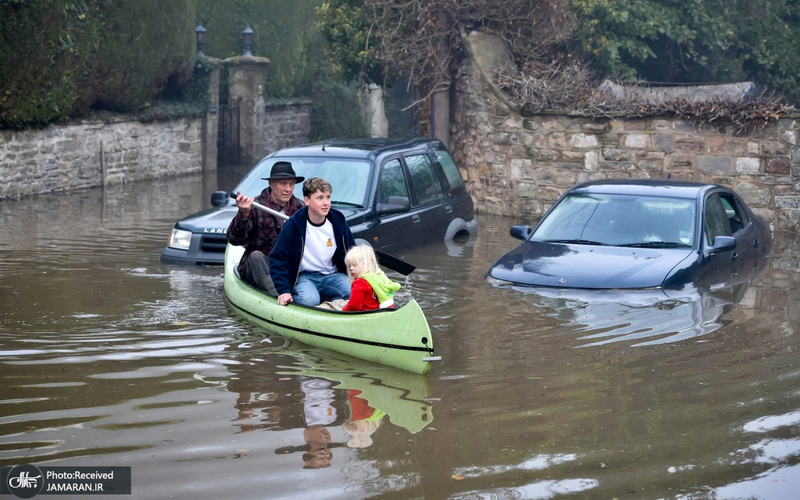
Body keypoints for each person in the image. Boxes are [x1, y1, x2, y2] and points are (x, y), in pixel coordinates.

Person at [269, 177, 356, 307]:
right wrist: (285, 290)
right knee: (308, 301)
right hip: (305, 276)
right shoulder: (294, 225)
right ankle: (315, 299)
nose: (326, 203)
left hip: (332, 275)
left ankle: (330, 304)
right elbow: (278, 260)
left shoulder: (338, 221)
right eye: (320, 198)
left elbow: (352, 253)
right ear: (307, 200)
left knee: (355, 293)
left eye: (328, 197)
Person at [225, 161, 304, 295]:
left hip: (287, 268)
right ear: (271, 184)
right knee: (256, 256)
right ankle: (276, 296)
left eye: (291, 184)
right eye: (283, 184)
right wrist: (243, 214)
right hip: (259, 267)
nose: (288, 189)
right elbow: (234, 240)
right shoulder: (254, 206)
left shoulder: (300, 208)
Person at [342, 244, 401, 312]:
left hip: (367, 315)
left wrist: (342, 311)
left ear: (366, 264)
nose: (351, 268)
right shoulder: (379, 275)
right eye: (349, 266)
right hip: (382, 310)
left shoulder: (359, 283)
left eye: (354, 265)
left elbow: (354, 307)